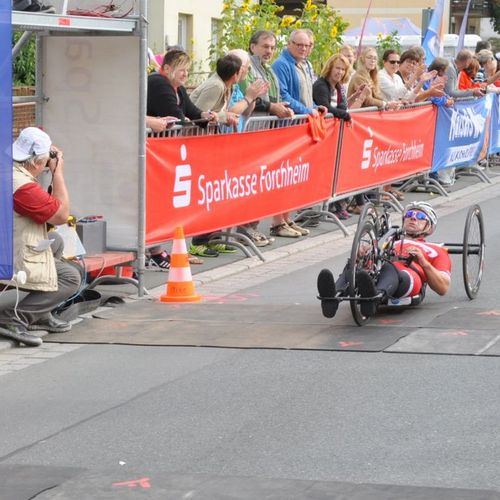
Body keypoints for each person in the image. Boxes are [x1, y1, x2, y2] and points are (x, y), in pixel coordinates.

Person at [0, 128, 82, 347]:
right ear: (39, 161)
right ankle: (14, 318)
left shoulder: (10, 170)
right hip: (9, 253)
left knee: (56, 242)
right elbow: (61, 215)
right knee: (71, 278)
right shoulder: (21, 186)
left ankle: (41, 312)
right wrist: (58, 172)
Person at [317, 201, 451, 319]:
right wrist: (363, 253)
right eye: (409, 215)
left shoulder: (436, 250)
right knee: (354, 266)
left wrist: (424, 262)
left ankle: (374, 299)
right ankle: (331, 298)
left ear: (429, 226)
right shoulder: (388, 239)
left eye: (420, 217)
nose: (413, 218)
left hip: (407, 278)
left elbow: (443, 288)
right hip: (376, 269)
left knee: (389, 267)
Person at [238, 31, 307, 241]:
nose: (269, 51)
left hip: (267, 132)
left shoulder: (268, 70)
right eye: (265, 46)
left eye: (271, 47)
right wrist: (272, 107)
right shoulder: (247, 68)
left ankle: (254, 225)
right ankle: (244, 227)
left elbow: (276, 97)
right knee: (249, 182)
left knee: (262, 183)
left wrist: (282, 107)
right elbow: (247, 98)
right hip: (250, 133)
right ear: (252, 47)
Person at [272, 29, 324, 116]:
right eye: (299, 45)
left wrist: (315, 107)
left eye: (306, 45)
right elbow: (282, 96)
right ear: (289, 44)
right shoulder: (281, 64)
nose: (303, 49)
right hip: (289, 123)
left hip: (302, 121)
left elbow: (305, 95)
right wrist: (307, 111)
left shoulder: (302, 64)